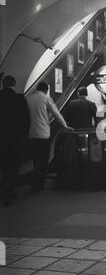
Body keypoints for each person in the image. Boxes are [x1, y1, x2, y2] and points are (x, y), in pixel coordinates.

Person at [27, 81, 72, 192]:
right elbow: (56, 114)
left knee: (36, 159)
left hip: (31, 134)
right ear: (46, 90)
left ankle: (35, 182)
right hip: (43, 134)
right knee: (43, 160)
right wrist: (65, 126)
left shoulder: (28, 99)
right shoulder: (46, 99)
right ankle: (39, 183)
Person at [0, 76, 30, 206]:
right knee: (12, 167)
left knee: (3, 166)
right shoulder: (19, 99)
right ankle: (7, 192)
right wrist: (23, 137)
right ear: (14, 84)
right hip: (15, 140)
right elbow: (26, 121)